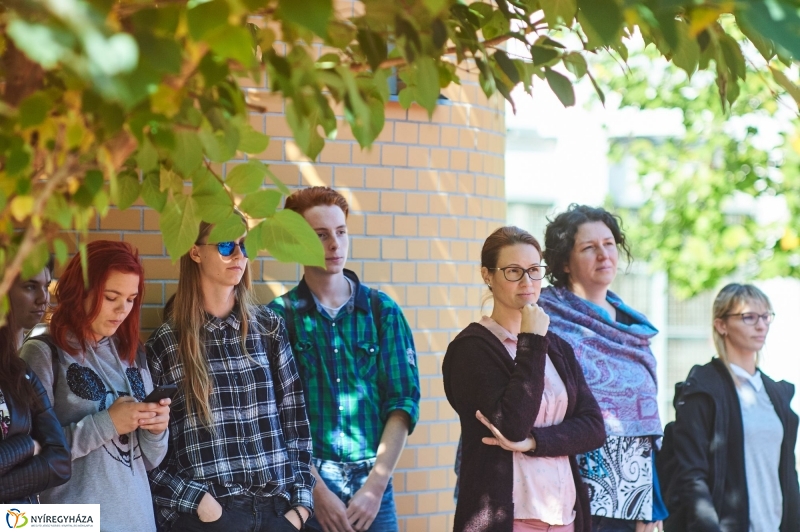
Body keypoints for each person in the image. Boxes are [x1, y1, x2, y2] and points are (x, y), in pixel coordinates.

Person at [268, 187, 420, 532]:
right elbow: (274, 417)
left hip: (373, 487)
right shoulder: (277, 319)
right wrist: (316, 491)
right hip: (305, 488)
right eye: (320, 235)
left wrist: (375, 488)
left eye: (340, 232)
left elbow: (403, 402)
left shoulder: (383, 312)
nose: (334, 244)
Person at [147, 222, 315, 532]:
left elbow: (296, 424)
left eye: (245, 246)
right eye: (226, 246)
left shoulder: (269, 329)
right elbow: (146, 452)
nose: (239, 255)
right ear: (195, 252)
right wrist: (200, 504)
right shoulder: (166, 343)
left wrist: (300, 509)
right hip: (210, 515)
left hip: (278, 514)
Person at [443, 225, 606, 532]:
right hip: (509, 522)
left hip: (564, 518)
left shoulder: (556, 346)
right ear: (487, 275)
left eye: (533, 270)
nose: (527, 282)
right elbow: (511, 423)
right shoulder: (471, 349)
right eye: (513, 271)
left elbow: (594, 427)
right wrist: (530, 339)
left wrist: (533, 442)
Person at [20, 241, 169, 531]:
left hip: (138, 520)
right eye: (111, 296)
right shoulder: (43, 352)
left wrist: (156, 430)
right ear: (81, 291)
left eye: (130, 299)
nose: (122, 310)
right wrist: (107, 424)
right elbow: (29, 453)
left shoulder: (132, 353)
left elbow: (150, 461)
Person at [537, 204, 668, 532]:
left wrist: (649, 509)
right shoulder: (543, 319)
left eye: (609, 244)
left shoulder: (634, 329)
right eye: (589, 247)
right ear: (565, 262)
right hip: (560, 492)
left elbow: (644, 424)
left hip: (627, 498)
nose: (603, 255)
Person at [661, 283, 800, 531]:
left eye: (766, 316)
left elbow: (788, 473)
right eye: (748, 317)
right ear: (721, 325)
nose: (761, 325)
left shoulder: (776, 393)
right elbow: (692, 476)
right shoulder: (703, 390)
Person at [0, 260, 70, 502]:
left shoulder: (22, 372)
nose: (44, 298)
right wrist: (27, 446)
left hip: (21, 521)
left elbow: (60, 462)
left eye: (46, 286)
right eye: (30, 286)